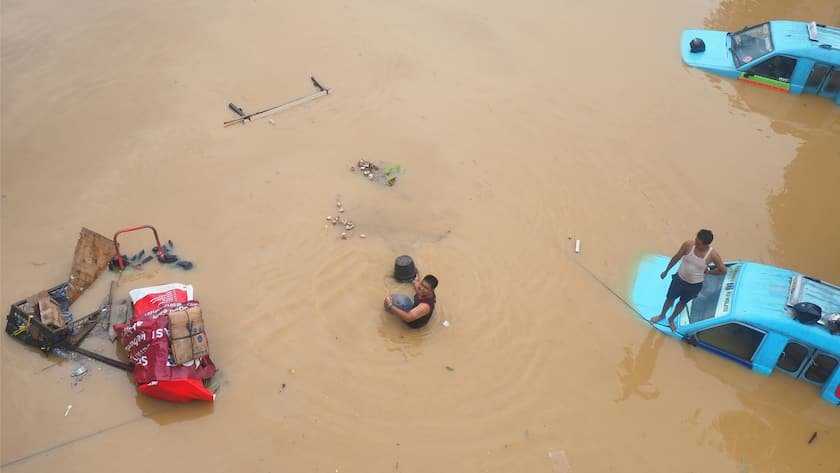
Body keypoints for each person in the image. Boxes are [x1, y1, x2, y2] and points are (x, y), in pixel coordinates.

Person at [650, 229, 726, 332]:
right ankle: (661, 315)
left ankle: (671, 319)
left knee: (682, 303)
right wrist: (666, 270)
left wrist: (709, 272)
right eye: (696, 239)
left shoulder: (712, 255)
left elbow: (723, 270)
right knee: (669, 298)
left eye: (699, 243)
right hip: (679, 279)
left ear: (706, 245)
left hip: (694, 285)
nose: (696, 243)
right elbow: (677, 257)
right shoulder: (688, 245)